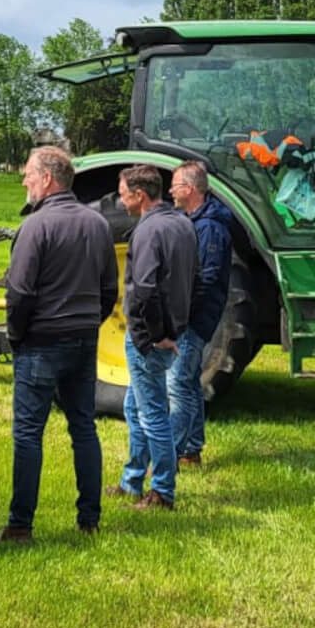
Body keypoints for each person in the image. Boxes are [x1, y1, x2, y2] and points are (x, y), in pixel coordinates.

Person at [0, 146, 117, 546]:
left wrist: (18, 334)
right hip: (83, 340)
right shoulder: (98, 224)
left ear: (46, 179)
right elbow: (109, 288)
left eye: (27, 174)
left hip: (41, 342)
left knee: (27, 434)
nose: (23, 180)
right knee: (84, 428)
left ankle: (20, 526)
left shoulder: (35, 227)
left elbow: (19, 293)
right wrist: (90, 321)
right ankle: (89, 520)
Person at [114, 163, 196, 510]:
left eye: (122, 196)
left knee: (151, 415)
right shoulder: (183, 223)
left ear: (139, 195)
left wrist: (155, 336)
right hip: (173, 331)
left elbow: (145, 289)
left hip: (149, 338)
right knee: (134, 406)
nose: (120, 203)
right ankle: (132, 480)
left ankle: (162, 490)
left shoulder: (148, 231)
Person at [168, 161, 236, 468]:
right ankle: (191, 450)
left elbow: (206, 279)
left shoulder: (210, 228)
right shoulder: (197, 220)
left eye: (174, 185)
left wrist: (180, 313)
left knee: (178, 384)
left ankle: (172, 452)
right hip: (193, 316)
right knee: (190, 382)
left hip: (194, 319)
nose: (170, 190)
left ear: (189, 189)